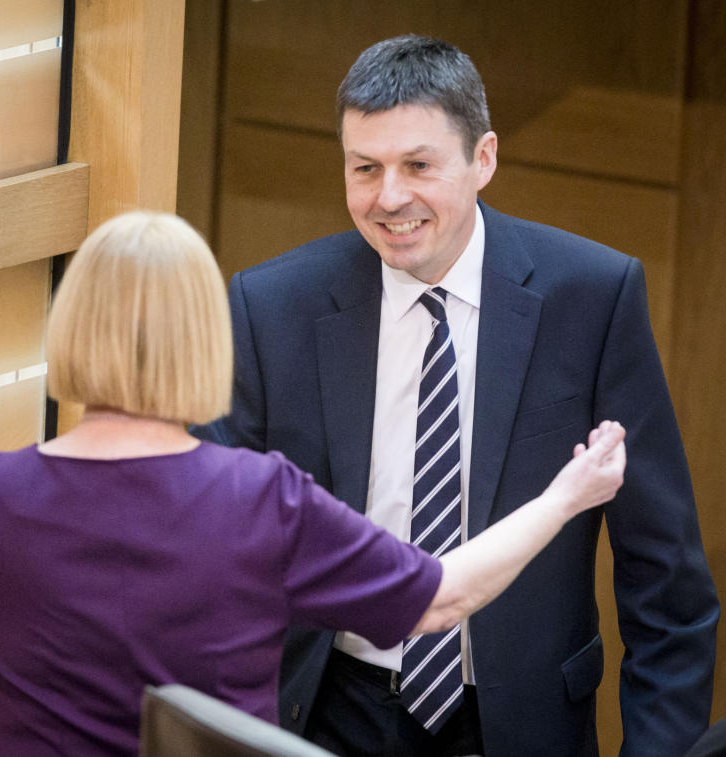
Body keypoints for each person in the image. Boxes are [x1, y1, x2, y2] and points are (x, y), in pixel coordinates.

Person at [0, 210, 626, 757]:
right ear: (206, 339)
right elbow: (441, 596)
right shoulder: (263, 499)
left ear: (70, 325)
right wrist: (568, 495)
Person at [192, 34, 719, 757]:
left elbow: (668, 587)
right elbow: (213, 550)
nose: (389, 197)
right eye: (365, 168)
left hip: (522, 722)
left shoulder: (592, 299)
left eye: (418, 165)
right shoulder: (270, 305)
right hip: (326, 711)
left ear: (484, 159)